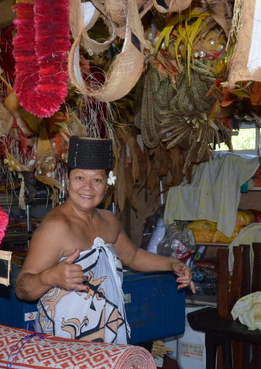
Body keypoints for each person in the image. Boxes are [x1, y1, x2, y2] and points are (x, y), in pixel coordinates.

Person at [15, 136, 195, 344]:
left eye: (97, 180)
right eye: (80, 178)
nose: (88, 188)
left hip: (110, 333)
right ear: (68, 180)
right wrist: (50, 277)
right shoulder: (56, 228)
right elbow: (22, 288)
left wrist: (172, 264)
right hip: (65, 343)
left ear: (106, 184)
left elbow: (133, 256)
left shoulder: (109, 220)